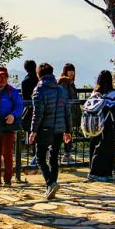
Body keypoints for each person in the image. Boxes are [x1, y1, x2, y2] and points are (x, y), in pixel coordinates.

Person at [29, 62, 72, 200]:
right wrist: (68, 130)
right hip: (60, 128)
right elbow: (67, 112)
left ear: (39, 75)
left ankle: (50, 183)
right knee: (53, 158)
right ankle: (51, 185)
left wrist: (33, 131)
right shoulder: (61, 90)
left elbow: (38, 113)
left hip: (44, 129)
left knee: (40, 157)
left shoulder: (39, 90)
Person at [87, 71, 115, 181]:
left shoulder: (95, 93)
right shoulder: (113, 94)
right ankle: (105, 173)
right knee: (106, 149)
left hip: (94, 124)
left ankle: (94, 171)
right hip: (108, 123)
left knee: (95, 146)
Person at [58, 63, 79, 164]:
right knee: (67, 132)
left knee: (68, 132)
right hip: (67, 112)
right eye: (69, 70)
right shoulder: (64, 83)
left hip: (71, 112)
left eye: (73, 70)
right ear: (65, 71)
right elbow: (65, 97)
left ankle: (67, 153)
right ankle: (66, 154)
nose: (71, 72)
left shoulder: (70, 83)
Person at [21, 60, 39, 167]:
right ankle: (37, 155)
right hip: (41, 110)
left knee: (32, 132)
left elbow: (25, 98)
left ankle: (34, 155)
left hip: (30, 110)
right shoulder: (39, 79)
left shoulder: (25, 82)